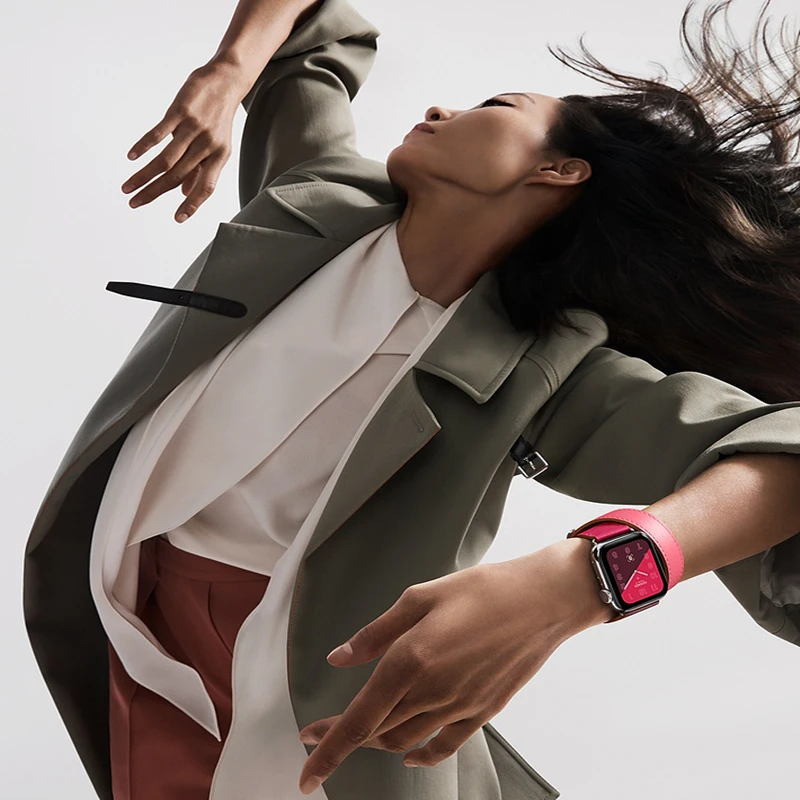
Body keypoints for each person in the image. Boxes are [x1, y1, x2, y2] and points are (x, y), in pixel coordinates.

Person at [22, 0, 800, 798]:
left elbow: (784, 453)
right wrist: (227, 72)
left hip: (337, 701)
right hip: (144, 635)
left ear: (560, 170)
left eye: (495, 106)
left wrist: (583, 580)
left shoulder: (548, 366)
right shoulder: (316, 196)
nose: (437, 109)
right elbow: (312, 26)